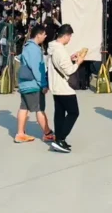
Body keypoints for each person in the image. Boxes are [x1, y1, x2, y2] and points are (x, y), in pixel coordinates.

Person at [48, 24, 86, 153]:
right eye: (70, 36)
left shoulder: (53, 47)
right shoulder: (60, 50)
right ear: (65, 36)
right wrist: (78, 62)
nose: (70, 39)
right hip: (64, 87)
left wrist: (70, 58)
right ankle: (61, 138)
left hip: (55, 86)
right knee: (73, 112)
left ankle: (59, 139)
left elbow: (59, 64)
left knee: (59, 113)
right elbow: (69, 70)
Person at [16, 24, 54, 143]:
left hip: (24, 84)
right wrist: (43, 84)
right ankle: (47, 133)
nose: (45, 36)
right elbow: (37, 69)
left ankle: (20, 133)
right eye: (44, 34)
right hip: (33, 84)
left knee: (24, 107)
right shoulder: (34, 49)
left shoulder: (26, 47)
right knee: (39, 109)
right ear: (38, 35)